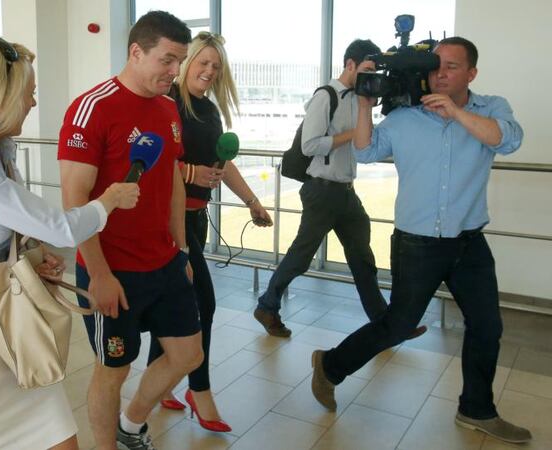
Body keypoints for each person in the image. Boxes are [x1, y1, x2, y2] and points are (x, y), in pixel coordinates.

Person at [0, 34, 139, 450]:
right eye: (27, 93)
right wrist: (110, 200)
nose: (33, 103)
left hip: (11, 333)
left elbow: (1, 230)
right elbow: (61, 226)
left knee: (61, 440)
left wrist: (31, 259)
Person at [311, 37, 532, 444]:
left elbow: (508, 139)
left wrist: (456, 112)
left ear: (472, 73)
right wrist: (363, 103)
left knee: (487, 327)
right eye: (435, 67)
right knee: (398, 326)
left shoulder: (491, 108)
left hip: (469, 242)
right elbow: (364, 151)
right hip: (418, 243)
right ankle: (330, 366)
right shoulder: (407, 117)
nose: (440, 74)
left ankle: (476, 409)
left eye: (451, 66)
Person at [58, 11, 204, 450]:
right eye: (167, 60)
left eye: (180, 61)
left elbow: (174, 181)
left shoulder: (166, 106)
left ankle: (132, 422)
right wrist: (99, 273)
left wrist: (182, 251)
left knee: (187, 355)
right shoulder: (93, 108)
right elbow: (75, 200)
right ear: (136, 52)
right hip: (113, 270)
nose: (175, 71)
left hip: (164, 262)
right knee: (114, 369)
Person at [254, 40, 426, 341]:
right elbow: (310, 145)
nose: (372, 76)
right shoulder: (326, 96)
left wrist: (368, 114)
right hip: (322, 191)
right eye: (367, 69)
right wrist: (353, 134)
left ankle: (386, 325)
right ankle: (268, 305)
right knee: (301, 257)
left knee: (363, 260)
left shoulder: (361, 98)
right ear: (349, 64)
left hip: (346, 191)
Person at [146, 31, 272, 433]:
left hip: (197, 218)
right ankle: (198, 390)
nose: (209, 71)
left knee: (173, 299)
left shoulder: (210, 110)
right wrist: (189, 172)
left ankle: (160, 379)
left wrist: (252, 200)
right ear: (186, 62)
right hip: (169, 222)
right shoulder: (167, 104)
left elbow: (222, 162)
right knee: (204, 304)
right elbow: (155, 162)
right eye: (202, 62)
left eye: (215, 67)